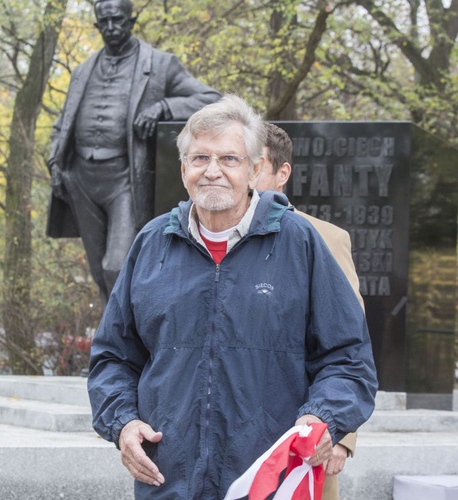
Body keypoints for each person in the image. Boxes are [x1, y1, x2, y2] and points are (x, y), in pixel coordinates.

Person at [87, 95, 378, 498]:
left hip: (268, 481)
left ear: (256, 168)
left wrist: (323, 417)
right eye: (200, 158)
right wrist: (122, 424)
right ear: (184, 168)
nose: (212, 172)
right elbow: (112, 357)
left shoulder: (301, 244)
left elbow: (348, 359)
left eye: (229, 159)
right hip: (168, 482)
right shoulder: (151, 244)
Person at [46, 0, 221, 305]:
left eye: (118, 21)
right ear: (97, 25)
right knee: (99, 272)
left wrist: (163, 107)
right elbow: (62, 126)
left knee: (117, 266)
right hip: (81, 181)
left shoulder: (159, 64)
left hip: (124, 181)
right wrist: (54, 163)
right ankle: (112, 343)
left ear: (132, 21)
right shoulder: (82, 71)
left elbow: (210, 97)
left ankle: (132, 338)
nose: (111, 28)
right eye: (105, 23)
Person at [256, 122, 361, 500]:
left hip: (303, 443)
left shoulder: (324, 238)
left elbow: (350, 344)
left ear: (282, 173)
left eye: (256, 164)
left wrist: (341, 435)